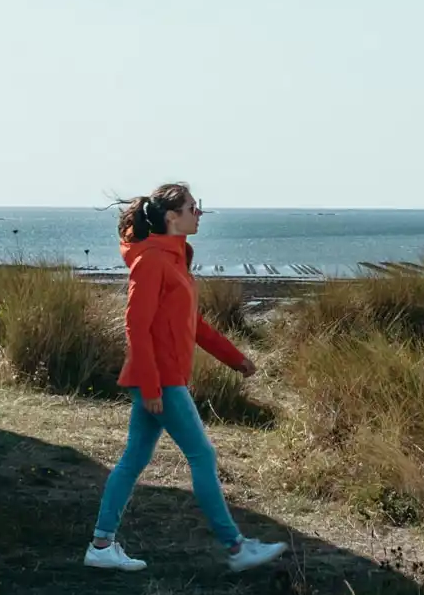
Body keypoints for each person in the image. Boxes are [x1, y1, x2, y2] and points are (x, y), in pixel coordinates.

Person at [85, 182, 288, 574]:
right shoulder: (151, 262)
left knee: (133, 460)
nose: (199, 213)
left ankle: (101, 544)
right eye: (193, 207)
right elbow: (135, 327)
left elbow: (193, 324)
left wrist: (236, 359)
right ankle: (236, 548)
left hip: (165, 378)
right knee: (202, 456)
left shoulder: (175, 261)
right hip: (161, 380)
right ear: (171, 216)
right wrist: (150, 385)